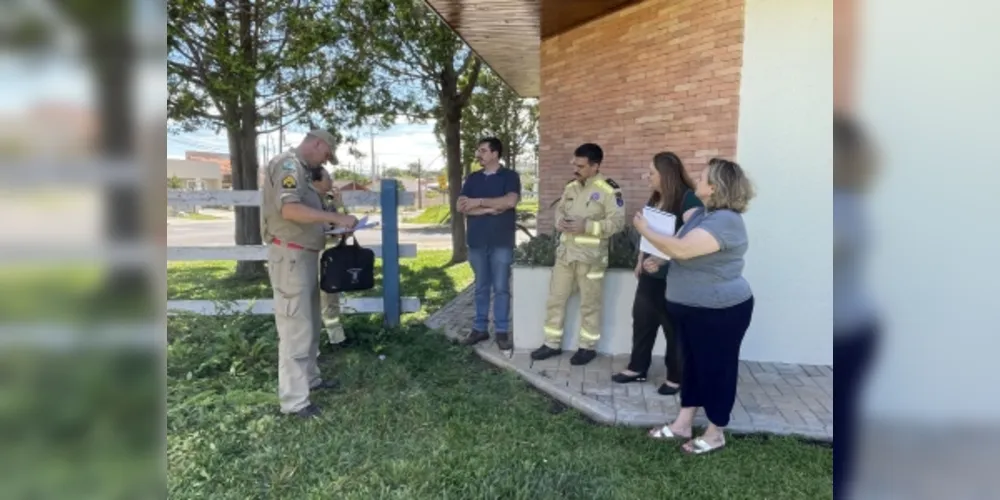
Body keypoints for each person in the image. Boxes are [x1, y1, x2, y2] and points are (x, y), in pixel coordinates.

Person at [634, 157, 755, 454]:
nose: (696, 181)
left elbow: (684, 249)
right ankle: (682, 424)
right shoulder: (702, 214)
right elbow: (677, 245)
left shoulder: (726, 220)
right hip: (689, 309)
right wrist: (658, 259)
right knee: (692, 367)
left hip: (719, 311)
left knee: (717, 370)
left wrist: (645, 229)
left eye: (701, 178)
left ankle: (715, 433)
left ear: (715, 187)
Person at [260, 129, 358, 419]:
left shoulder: (303, 171)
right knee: (295, 328)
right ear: (317, 144)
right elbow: (290, 210)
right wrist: (335, 217)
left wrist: (331, 229)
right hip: (291, 257)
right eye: (326, 154)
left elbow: (307, 216)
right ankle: (294, 402)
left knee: (311, 323)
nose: (325, 160)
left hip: (305, 255)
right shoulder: (288, 165)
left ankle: (311, 380)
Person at [611, 152, 702, 395]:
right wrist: (641, 259)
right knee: (642, 321)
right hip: (650, 274)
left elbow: (692, 238)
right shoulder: (656, 198)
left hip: (674, 276)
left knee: (673, 328)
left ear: (666, 175)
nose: (646, 177)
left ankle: (676, 376)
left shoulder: (688, 200)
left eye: (651, 173)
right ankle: (637, 367)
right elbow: (648, 234)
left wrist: (663, 259)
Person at [531, 143, 626, 366]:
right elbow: (559, 212)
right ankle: (551, 343)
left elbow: (618, 223)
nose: (576, 169)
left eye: (581, 165)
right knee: (556, 300)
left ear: (595, 166)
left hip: (591, 259)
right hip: (565, 255)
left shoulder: (609, 190)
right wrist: (559, 222)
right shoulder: (571, 187)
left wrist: (588, 226)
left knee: (589, 304)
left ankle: (587, 347)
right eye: (574, 163)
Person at [832, 114, 879, 500]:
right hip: (853, 325)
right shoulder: (849, 202)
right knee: (846, 415)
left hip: (847, 330)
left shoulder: (842, 207)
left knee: (844, 418)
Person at [455, 137, 521, 350]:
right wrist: (491, 209)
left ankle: (501, 331)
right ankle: (480, 329)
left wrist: (478, 202)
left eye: (483, 151)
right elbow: (461, 207)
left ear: (494, 154)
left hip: (502, 241)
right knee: (481, 287)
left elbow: (510, 201)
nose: (479, 154)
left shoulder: (510, 176)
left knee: (501, 287)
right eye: (478, 150)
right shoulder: (472, 178)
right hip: (476, 241)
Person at [310, 166, 348, 346]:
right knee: (309, 298)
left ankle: (336, 339)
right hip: (312, 254)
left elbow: (345, 225)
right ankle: (311, 343)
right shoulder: (307, 201)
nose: (331, 182)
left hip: (330, 256)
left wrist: (339, 203)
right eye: (328, 178)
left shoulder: (329, 201)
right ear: (316, 181)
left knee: (330, 296)